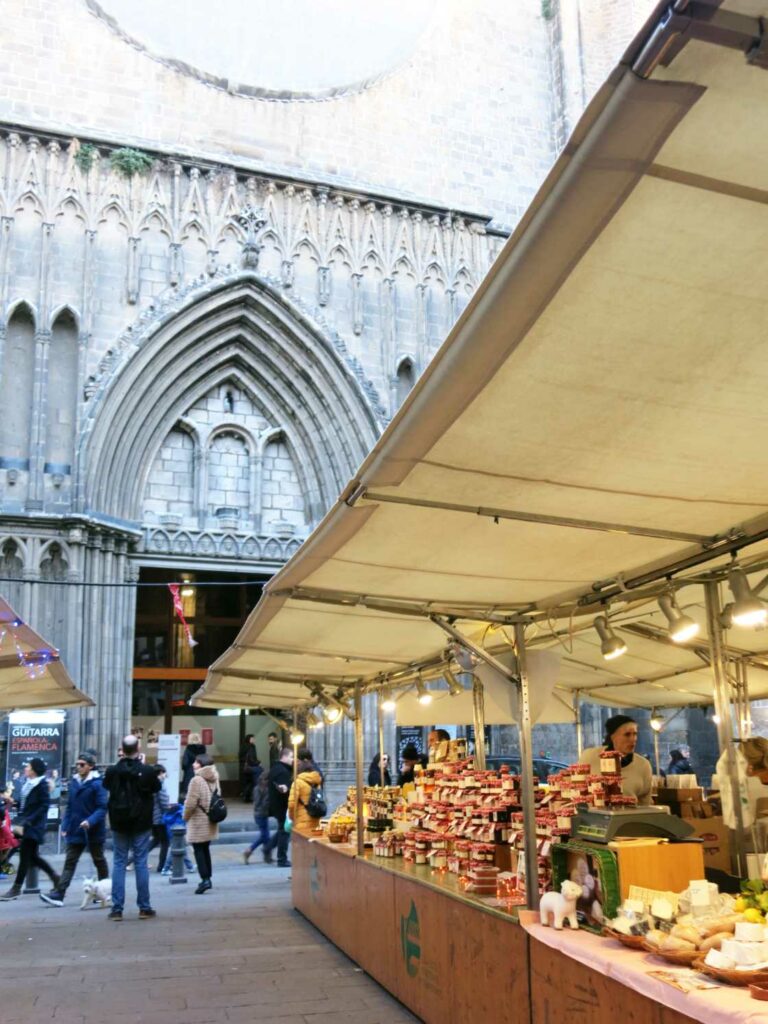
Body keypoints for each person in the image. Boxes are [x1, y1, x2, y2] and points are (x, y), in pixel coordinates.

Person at [40, 751, 109, 907]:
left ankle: (104, 892)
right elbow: (70, 806)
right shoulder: (74, 782)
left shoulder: (98, 784)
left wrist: (90, 821)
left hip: (93, 829)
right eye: (77, 764)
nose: (78, 767)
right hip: (76, 829)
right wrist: (65, 825)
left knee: (99, 860)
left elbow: (102, 807)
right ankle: (59, 894)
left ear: (90, 767)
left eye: (82, 764)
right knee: (70, 862)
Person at [103, 734, 161, 920]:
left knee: (119, 862)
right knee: (140, 862)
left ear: (122, 749)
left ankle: (117, 909)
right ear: (138, 748)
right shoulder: (147, 771)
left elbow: (106, 786)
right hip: (141, 822)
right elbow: (156, 787)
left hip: (119, 822)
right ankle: (144, 907)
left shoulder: (112, 771)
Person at [0, 758, 60, 900]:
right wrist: (14, 802)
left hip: (34, 826)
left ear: (33, 770)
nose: (26, 768)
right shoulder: (29, 784)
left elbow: (43, 806)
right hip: (27, 824)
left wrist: (28, 821)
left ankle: (16, 888)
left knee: (25, 857)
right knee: (33, 857)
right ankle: (56, 878)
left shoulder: (41, 785)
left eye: (28, 766)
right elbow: (26, 804)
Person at [582, 714, 652, 805]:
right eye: (627, 734)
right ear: (613, 737)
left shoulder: (643, 765)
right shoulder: (590, 756)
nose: (633, 739)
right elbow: (576, 790)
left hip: (629, 817)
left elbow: (645, 802)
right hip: (593, 816)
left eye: (635, 734)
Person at [183, 753, 220, 894]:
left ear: (202, 765)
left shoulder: (196, 780)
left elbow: (191, 803)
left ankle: (205, 880)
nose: (193, 764)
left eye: (196, 762)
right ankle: (207, 877)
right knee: (205, 849)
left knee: (199, 850)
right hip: (210, 819)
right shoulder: (215, 777)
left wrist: (185, 817)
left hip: (198, 820)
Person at [264, 747, 293, 868]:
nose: (292, 759)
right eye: (291, 757)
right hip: (282, 806)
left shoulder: (276, 768)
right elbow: (284, 790)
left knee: (282, 829)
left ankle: (269, 847)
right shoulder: (282, 771)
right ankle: (282, 858)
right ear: (284, 757)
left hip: (276, 805)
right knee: (284, 832)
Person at [288, 753, 323, 835]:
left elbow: (292, 804)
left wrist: (291, 817)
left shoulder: (297, 783)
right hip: (315, 819)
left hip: (301, 821)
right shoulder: (317, 782)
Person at [243, 772, 273, 864]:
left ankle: (267, 856)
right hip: (261, 814)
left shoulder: (258, 788)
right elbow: (261, 803)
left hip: (260, 814)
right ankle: (249, 850)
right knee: (265, 836)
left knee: (265, 836)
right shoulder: (262, 789)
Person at [149, 764, 170, 873]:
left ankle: (130, 860)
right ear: (160, 773)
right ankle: (161, 866)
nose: (165, 775)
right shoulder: (159, 784)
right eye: (163, 772)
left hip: (153, 817)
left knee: (155, 840)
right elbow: (163, 801)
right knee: (165, 842)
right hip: (160, 818)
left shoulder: (150, 783)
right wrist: (169, 807)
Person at [180, 733, 206, 799]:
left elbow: (185, 762)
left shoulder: (188, 748)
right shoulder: (203, 748)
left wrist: (184, 768)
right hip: (201, 771)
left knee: (189, 791)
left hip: (190, 771)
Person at [241, 735, 262, 802]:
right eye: (252, 739)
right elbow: (251, 759)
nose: (254, 740)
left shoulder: (244, 746)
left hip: (246, 768)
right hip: (250, 767)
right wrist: (258, 763)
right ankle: (257, 794)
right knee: (260, 771)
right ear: (249, 739)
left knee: (250, 781)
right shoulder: (250, 747)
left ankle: (248, 796)